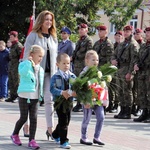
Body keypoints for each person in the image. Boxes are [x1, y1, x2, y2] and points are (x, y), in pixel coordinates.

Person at [23, 10, 58, 140]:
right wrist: (28, 71)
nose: (49, 22)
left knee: (49, 100)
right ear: (41, 21)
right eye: (46, 19)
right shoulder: (33, 35)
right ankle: (26, 125)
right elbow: (27, 54)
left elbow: (56, 56)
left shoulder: (54, 37)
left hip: (50, 74)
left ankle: (50, 129)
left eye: (50, 20)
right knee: (32, 101)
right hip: (35, 73)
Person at [10, 45, 45, 149]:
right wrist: (29, 63)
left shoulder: (41, 69)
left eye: (42, 56)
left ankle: (32, 140)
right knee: (24, 117)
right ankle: (15, 134)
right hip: (24, 96)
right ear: (32, 54)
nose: (40, 58)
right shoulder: (24, 64)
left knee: (34, 119)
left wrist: (41, 95)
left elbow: (40, 83)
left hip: (35, 97)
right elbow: (22, 73)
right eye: (39, 56)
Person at [111, 25, 139, 119]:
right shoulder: (122, 44)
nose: (126, 33)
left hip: (127, 69)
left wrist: (130, 73)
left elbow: (133, 60)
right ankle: (122, 110)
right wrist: (113, 60)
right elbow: (114, 54)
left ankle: (128, 111)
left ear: (131, 32)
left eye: (128, 31)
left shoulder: (133, 44)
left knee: (127, 91)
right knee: (120, 91)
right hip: (120, 70)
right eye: (125, 31)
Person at [50, 53, 76, 149]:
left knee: (66, 121)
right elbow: (52, 89)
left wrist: (75, 92)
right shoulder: (55, 77)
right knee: (63, 121)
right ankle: (63, 141)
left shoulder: (72, 76)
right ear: (57, 64)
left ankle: (55, 134)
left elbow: (76, 87)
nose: (66, 66)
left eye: (68, 63)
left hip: (69, 102)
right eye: (64, 63)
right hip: (59, 103)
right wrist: (61, 92)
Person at [79, 50, 105, 146]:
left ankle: (97, 137)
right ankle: (83, 137)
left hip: (98, 101)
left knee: (101, 117)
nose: (95, 62)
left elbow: (103, 86)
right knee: (87, 119)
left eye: (97, 60)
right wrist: (85, 100)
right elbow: (80, 88)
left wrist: (105, 99)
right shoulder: (83, 73)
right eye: (93, 60)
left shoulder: (99, 73)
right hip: (87, 101)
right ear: (86, 61)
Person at [93, 25, 114, 114]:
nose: (99, 33)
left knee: (104, 88)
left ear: (106, 32)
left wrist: (106, 71)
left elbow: (109, 58)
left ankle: (103, 108)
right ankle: (96, 105)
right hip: (97, 69)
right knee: (96, 88)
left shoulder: (108, 44)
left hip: (104, 69)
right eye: (98, 31)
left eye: (101, 31)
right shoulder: (97, 43)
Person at [72, 23, 93, 112]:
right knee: (78, 85)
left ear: (86, 30)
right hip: (77, 66)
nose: (80, 30)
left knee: (83, 85)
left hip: (83, 66)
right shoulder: (79, 40)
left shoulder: (89, 40)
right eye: (79, 29)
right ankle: (78, 103)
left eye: (82, 29)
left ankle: (82, 103)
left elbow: (89, 54)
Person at [133, 27, 150, 123]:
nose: (147, 34)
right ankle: (144, 112)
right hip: (142, 72)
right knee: (142, 93)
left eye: (149, 32)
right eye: (146, 32)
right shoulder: (143, 46)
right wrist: (136, 64)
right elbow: (137, 57)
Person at [5, 31, 23, 103]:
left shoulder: (18, 45)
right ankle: (12, 96)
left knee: (16, 81)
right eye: (10, 36)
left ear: (15, 37)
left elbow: (21, 57)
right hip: (11, 65)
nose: (10, 38)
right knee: (11, 81)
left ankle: (17, 96)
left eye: (11, 37)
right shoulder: (12, 45)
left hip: (16, 65)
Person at [132, 28, 145, 116]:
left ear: (140, 35)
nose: (135, 35)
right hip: (135, 69)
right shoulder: (134, 44)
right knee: (134, 89)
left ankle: (139, 107)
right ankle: (133, 107)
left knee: (139, 90)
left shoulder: (143, 45)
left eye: (137, 34)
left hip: (142, 71)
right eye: (135, 34)